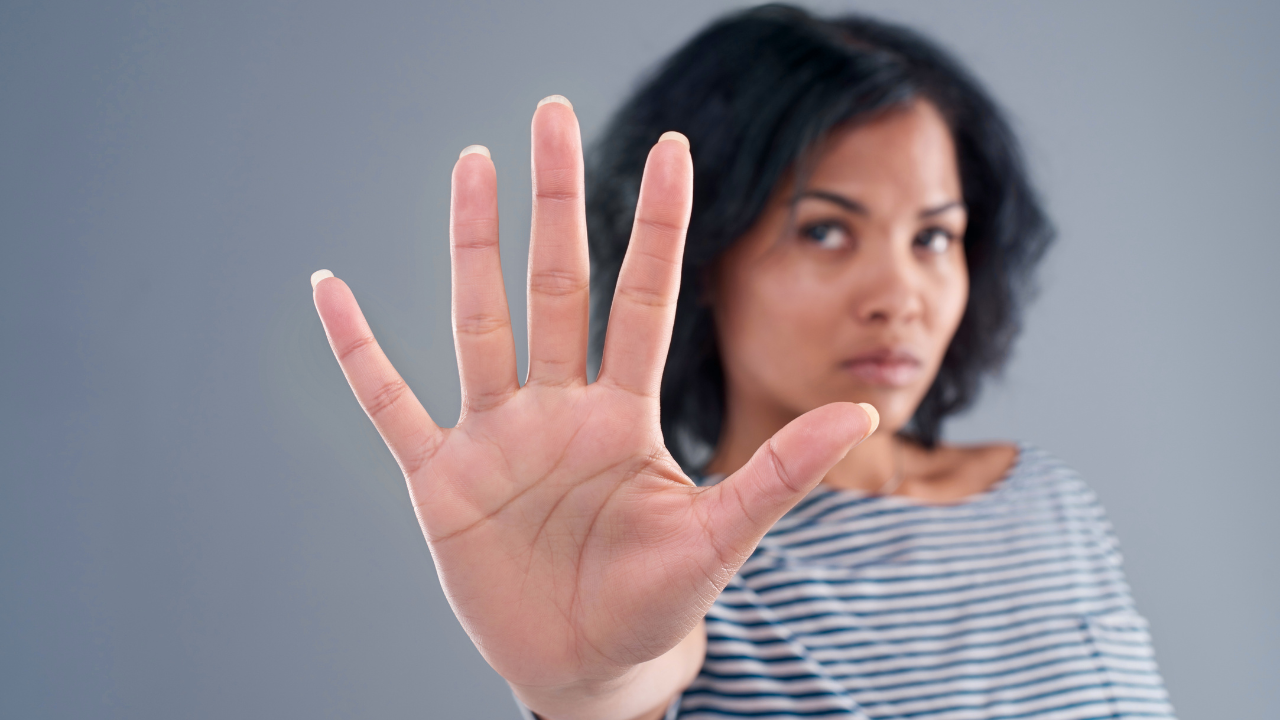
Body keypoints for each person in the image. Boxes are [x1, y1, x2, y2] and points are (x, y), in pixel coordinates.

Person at [309, 5, 1174, 719]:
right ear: (706, 256)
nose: (900, 293)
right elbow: (635, 664)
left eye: (934, 236)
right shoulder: (671, 565)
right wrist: (580, 682)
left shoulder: (1052, 503)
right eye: (826, 230)